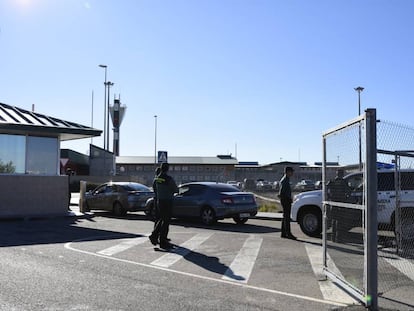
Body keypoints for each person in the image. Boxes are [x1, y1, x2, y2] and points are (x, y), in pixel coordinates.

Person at [149, 162, 178, 249]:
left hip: (159, 201)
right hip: (167, 202)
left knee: (161, 219)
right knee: (165, 222)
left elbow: (155, 189)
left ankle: (154, 236)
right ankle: (162, 241)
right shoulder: (169, 179)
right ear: (168, 169)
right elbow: (175, 189)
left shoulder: (156, 179)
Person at [279, 166, 296, 240]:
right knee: (287, 217)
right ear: (287, 172)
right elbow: (281, 192)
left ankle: (283, 233)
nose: (292, 173)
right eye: (291, 171)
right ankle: (288, 233)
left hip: (286, 199)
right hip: (285, 200)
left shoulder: (286, 179)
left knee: (285, 217)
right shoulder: (284, 180)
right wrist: (287, 199)